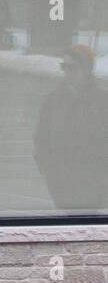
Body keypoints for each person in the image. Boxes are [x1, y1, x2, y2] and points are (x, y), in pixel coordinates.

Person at [33, 44, 108, 212]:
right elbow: (41, 137)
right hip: (62, 181)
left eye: (72, 67)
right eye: (63, 66)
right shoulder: (52, 101)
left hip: (94, 181)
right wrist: (47, 166)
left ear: (86, 70)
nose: (66, 72)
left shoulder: (103, 101)